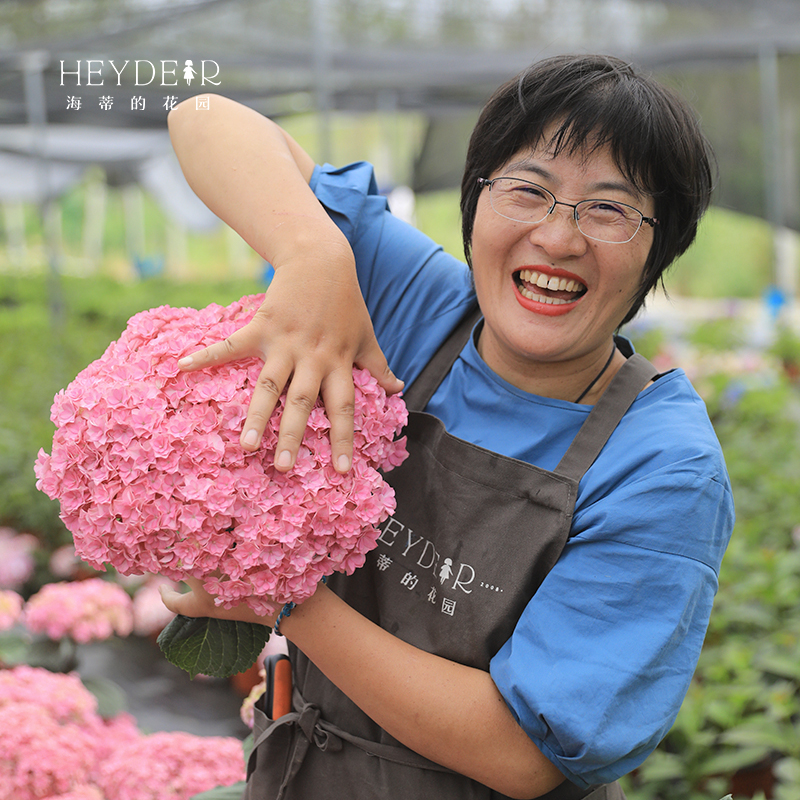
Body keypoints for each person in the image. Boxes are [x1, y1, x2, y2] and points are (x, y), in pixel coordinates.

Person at [160, 54, 734, 800]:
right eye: (528, 190)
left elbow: (520, 754)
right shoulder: (415, 303)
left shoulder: (662, 466)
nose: (558, 240)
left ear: (661, 249)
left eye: (609, 209)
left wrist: (286, 599)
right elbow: (201, 116)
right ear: (475, 202)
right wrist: (313, 251)